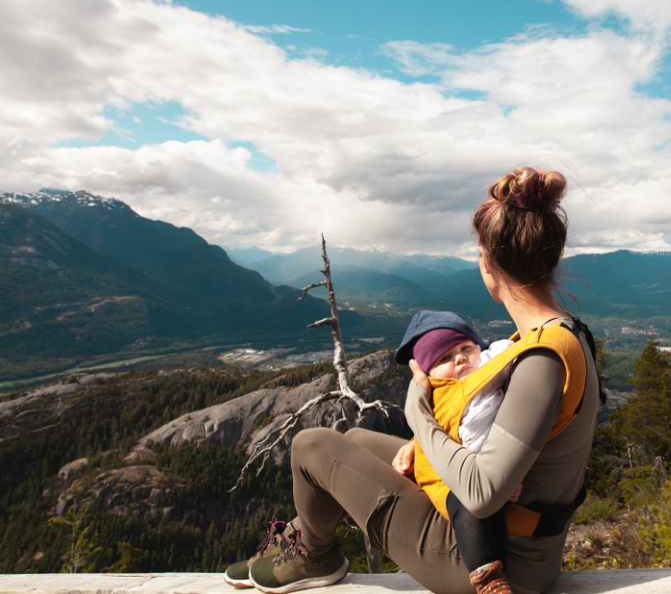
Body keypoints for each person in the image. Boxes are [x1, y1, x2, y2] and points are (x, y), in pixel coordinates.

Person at [228, 167, 600, 594]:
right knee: (356, 441)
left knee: (311, 445)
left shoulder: (541, 360)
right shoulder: (560, 335)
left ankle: (316, 553)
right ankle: (292, 544)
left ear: (487, 262)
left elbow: (481, 493)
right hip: (511, 539)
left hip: (494, 562)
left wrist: (417, 413)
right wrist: (425, 441)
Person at [393, 310, 517, 594]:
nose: (459, 358)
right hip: (447, 476)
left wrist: (509, 475)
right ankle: (488, 580)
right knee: (469, 508)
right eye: (444, 358)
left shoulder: (491, 367)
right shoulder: (440, 395)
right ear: (429, 373)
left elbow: (509, 350)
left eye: (465, 348)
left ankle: (503, 568)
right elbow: (438, 432)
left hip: (493, 466)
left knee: (492, 511)